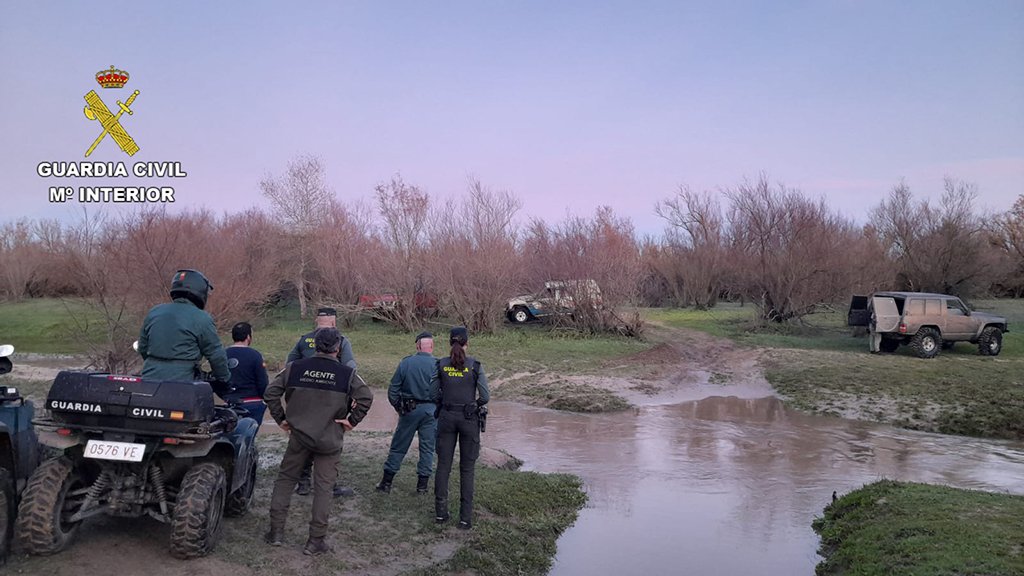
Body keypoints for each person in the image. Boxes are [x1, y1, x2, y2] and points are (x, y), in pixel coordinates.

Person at [263, 327, 373, 556]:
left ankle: (276, 533)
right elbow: (365, 397)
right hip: (329, 439)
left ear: (315, 345)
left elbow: (271, 392)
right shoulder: (346, 374)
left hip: (298, 436)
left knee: (285, 480)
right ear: (338, 347)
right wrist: (351, 421)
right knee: (323, 488)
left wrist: (282, 419)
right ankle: (315, 541)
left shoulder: (295, 368)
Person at [287, 307, 358, 497]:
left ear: (316, 322)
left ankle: (303, 482)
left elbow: (289, 365)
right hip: (331, 400)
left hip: (305, 399)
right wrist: (352, 396)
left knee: (304, 437)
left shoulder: (303, 340)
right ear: (334, 323)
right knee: (329, 441)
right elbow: (350, 367)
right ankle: (329, 484)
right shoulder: (341, 341)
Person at [433, 326, 489, 530]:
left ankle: (441, 514)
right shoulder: (475, 365)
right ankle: (465, 518)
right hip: (469, 419)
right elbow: (485, 396)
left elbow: (432, 393)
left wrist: (444, 401)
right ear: (467, 343)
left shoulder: (440, 364)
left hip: (446, 418)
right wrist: (473, 404)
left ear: (449, 343)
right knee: (467, 469)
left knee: (443, 466)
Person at [137, 269, 231, 384]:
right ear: (201, 291)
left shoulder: (154, 312)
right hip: (183, 384)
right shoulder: (202, 318)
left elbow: (142, 347)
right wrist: (224, 379)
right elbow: (216, 355)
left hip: (149, 380)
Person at [376, 331, 438, 494]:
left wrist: (398, 407)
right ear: (432, 346)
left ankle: (386, 483)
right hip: (431, 412)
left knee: (398, 446)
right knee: (427, 448)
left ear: (418, 346)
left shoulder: (406, 363)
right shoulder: (439, 365)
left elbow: (393, 390)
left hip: (409, 410)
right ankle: (422, 487)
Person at [218, 322, 269, 425]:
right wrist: (265, 399)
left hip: (230, 404)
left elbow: (217, 379)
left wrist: (225, 397)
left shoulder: (223, 355)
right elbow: (262, 382)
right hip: (252, 403)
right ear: (248, 337)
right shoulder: (255, 355)